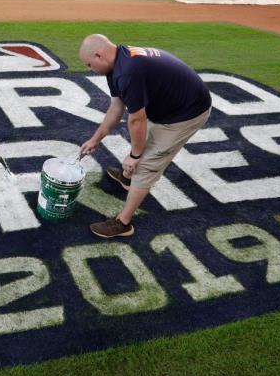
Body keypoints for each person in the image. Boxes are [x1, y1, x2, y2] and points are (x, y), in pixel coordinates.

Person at [78, 34, 212, 238]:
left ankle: (123, 223)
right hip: (170, 103)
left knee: (147, 162)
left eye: (89, 64)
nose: (90, 69)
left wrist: (135, 157)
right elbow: (116, 109)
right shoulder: (117, 63)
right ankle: (127, 179)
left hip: (187, 111)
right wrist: (95, 139)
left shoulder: (127, 72)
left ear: (99, 55)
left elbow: (136, 120)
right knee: (142, 142)